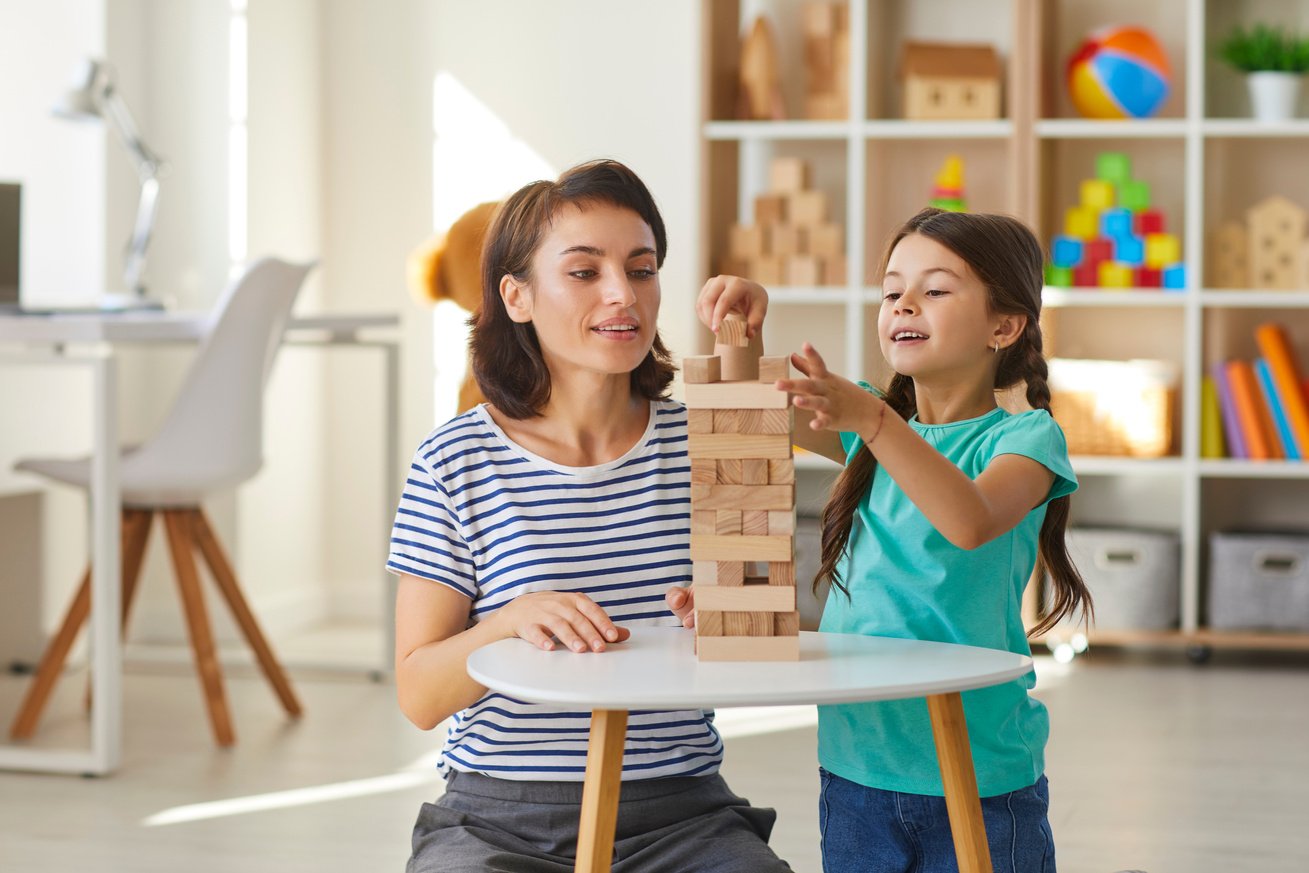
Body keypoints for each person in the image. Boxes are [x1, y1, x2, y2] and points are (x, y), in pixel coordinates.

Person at [387, 159, 791, 873]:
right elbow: (420, 694)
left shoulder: (704, 442)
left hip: (682, 813)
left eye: (641, 269)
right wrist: (508, 621)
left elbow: (758, 630)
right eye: (584, 271)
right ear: (515, 296)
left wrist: (724, 613)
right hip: (496, 819)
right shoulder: (453, 461)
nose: (622, 294)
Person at [673, 207, 1092, 873]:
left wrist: (870, 419)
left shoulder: (1025, 439)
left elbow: (970, 520)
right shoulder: (869, 427)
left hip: (979, 772)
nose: (904, 303)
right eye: (892, 290)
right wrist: (745, 332)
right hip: (856, 768)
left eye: (934, 288)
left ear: (1002, 326)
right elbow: (751, 401)